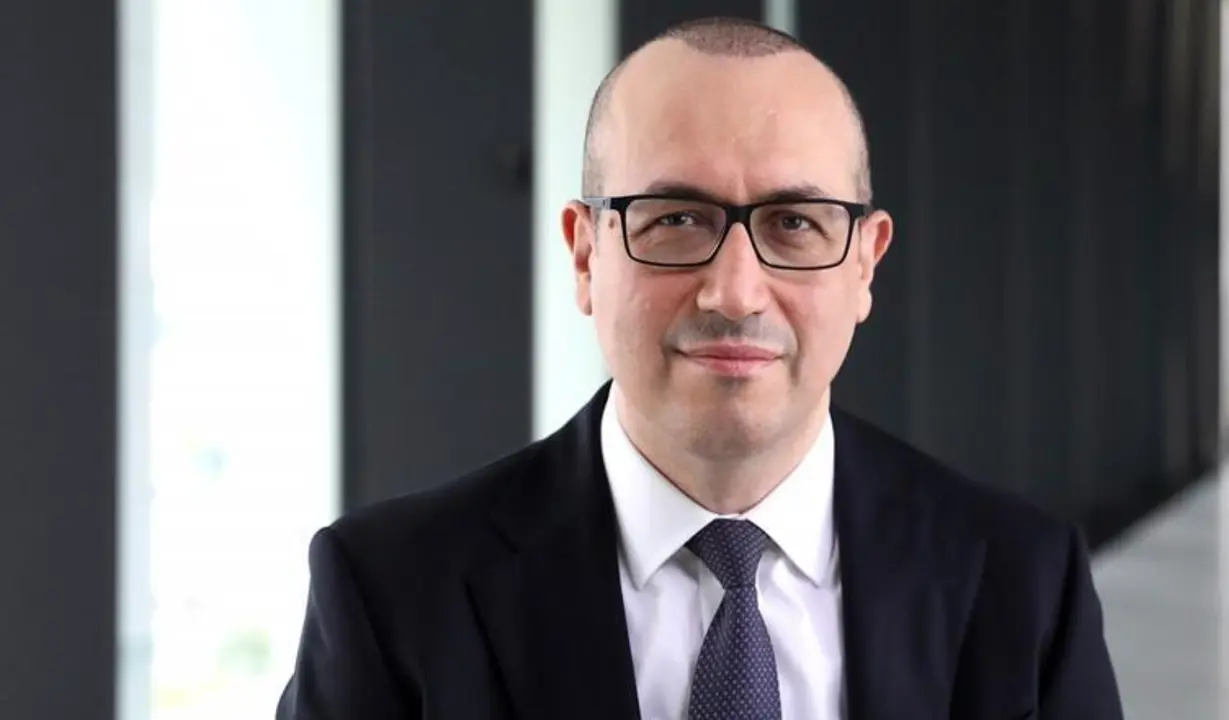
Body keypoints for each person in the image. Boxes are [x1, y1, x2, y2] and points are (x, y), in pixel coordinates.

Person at [277, 16, 1124, 720]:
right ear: (585, 255)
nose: (735, 291)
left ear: (865, 264)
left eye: (795, 224)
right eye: (677, 219)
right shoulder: (393, 596)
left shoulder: (1023, 586)